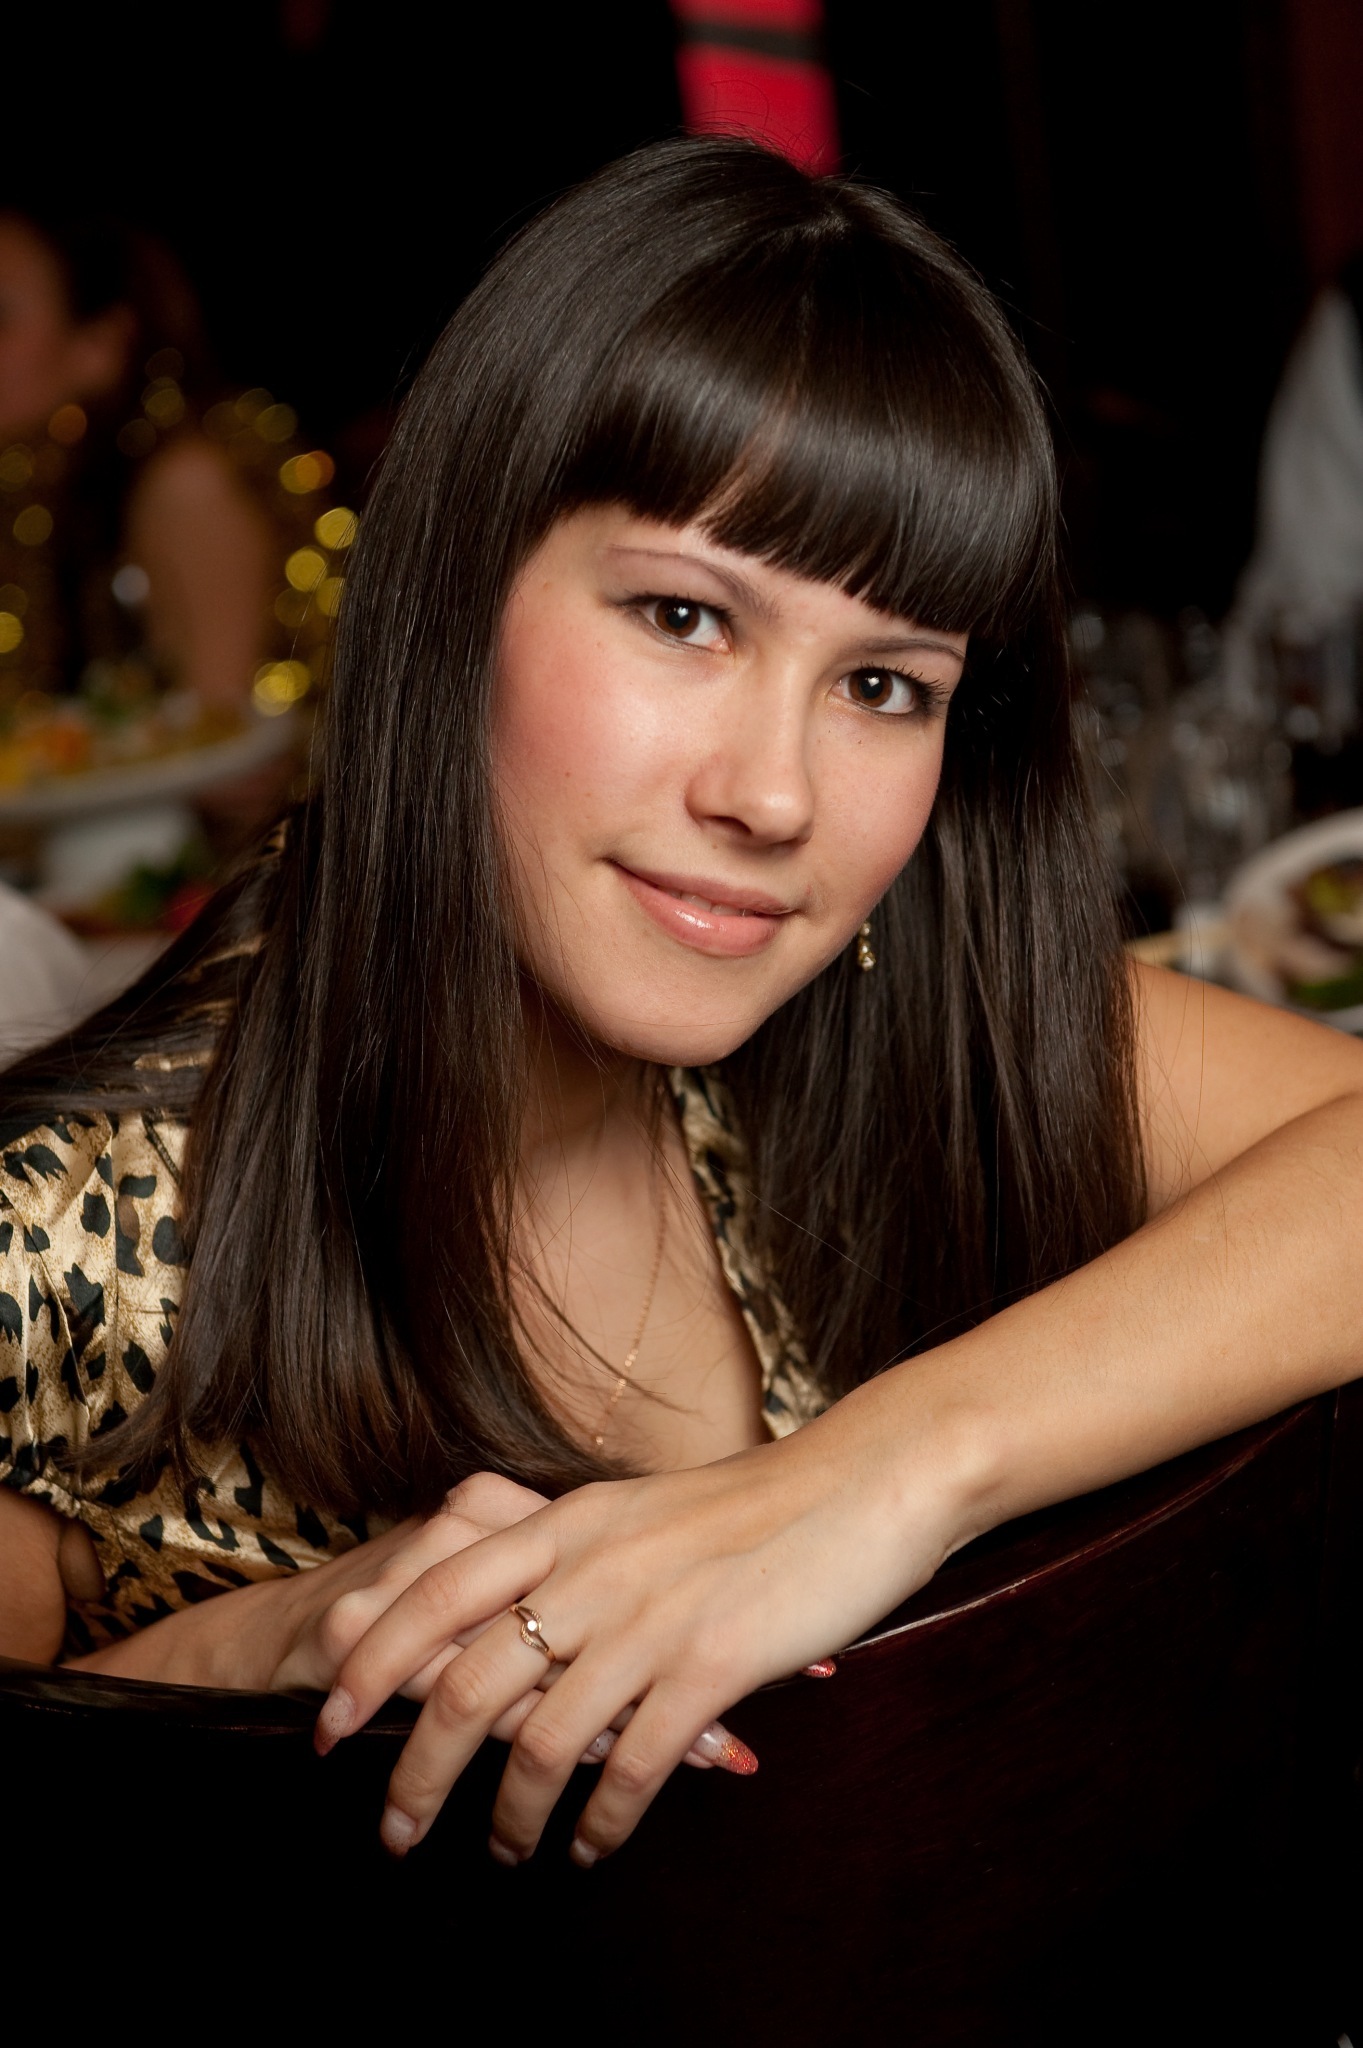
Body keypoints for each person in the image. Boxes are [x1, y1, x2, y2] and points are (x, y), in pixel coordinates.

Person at [1, 139, 1360, 1876]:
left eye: (886, 686)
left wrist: (872, 1479)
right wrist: (252, 1657)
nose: (775, 795)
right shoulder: (61, 1248)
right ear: (451, 594)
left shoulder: (890, 1012)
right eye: (684, 616)